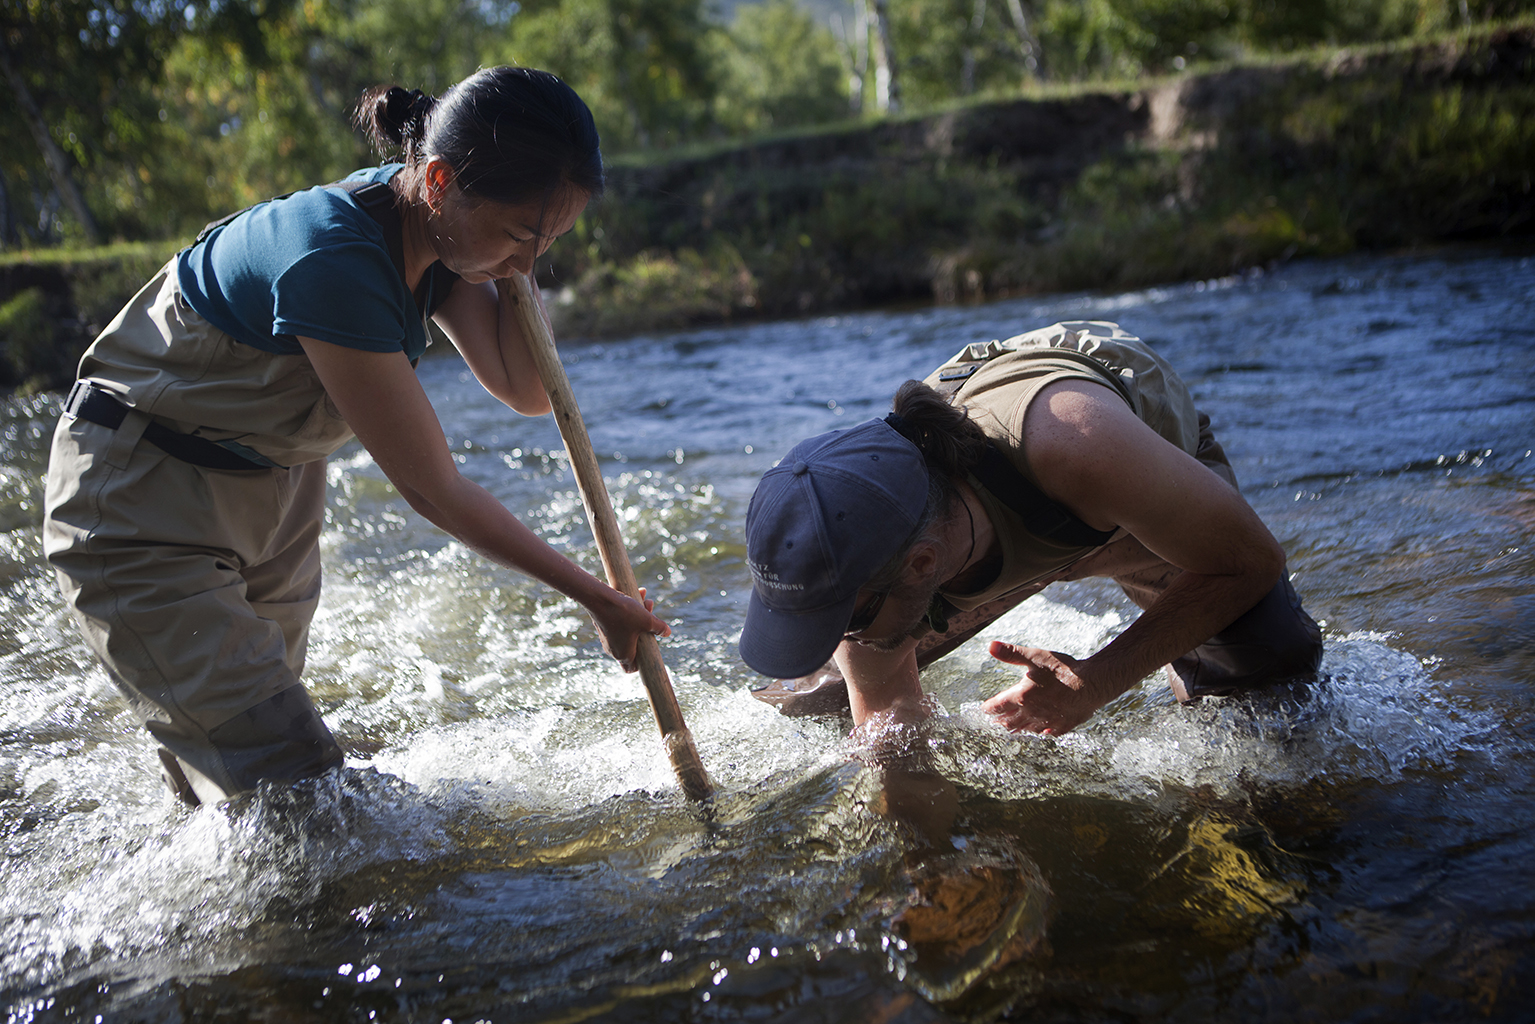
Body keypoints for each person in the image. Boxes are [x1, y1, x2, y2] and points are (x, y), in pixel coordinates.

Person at [42, 67, 668, 807]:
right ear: (437, 182)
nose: (531, 259)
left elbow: (527, 390)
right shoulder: (333, 256)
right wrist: (595, 596)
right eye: (516, 235)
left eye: (551, 239)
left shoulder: (445, 231)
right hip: (141, 499)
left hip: (272, 487)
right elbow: (435, 490)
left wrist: (513, 263)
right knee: (296, 789)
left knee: (243, 785)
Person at [739, 320, 1321, 734]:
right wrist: (932, 874)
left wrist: (1096, 681)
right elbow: (891, 730)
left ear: (922, 566)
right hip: (973, 525)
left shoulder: (1082, 450)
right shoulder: (860, 544)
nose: (850, 633)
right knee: (830, 698)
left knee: (1271, 679)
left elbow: (1251, 559)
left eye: (850, 616)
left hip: (1129, 492)